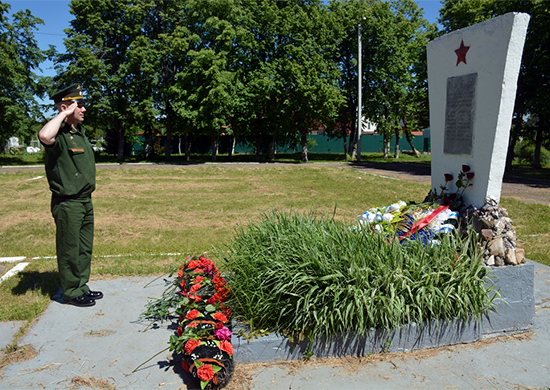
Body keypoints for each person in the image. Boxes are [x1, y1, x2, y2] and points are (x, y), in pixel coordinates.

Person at [38, 84, 103, 307]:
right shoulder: (60, 135)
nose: (84, 109)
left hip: (85, 200)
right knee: (69, 248)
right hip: (68, 202)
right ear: (66, 107)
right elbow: (45, 135)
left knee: (84, 247)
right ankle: (71, 291)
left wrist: (70, 113)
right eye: (79, 105)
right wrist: (63, 113)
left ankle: (81, 285)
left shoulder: (78, 133)